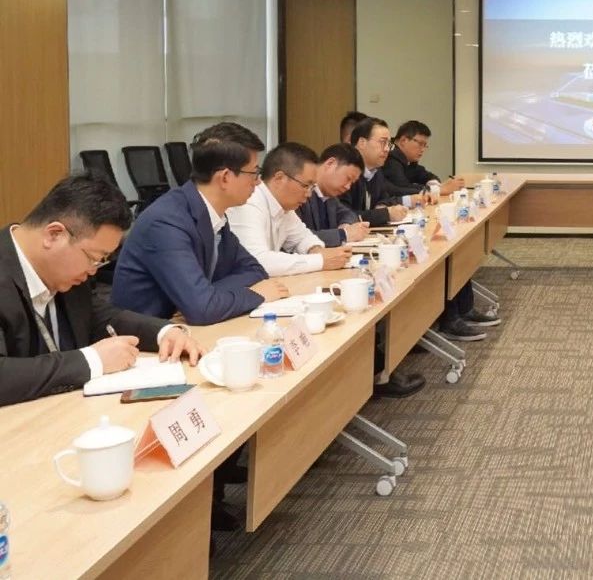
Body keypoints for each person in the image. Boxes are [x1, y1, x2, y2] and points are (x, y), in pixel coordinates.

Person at [1, 175, 203, 406]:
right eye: (93, 258)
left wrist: (164, 333)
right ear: (54, 234)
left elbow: (101, 318)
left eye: (100, 261)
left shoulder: (67, 271)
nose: (93, 271)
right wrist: (92, 361)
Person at [112, 122, 289, 325]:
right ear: (225, 178)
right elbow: (203, 310)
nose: (257, 182)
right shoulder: (166, 222)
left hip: (183, 328)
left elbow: (255, 270)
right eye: (254, 173)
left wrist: (206, 296)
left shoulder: (212, 213)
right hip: (145, 336)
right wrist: (255, 295)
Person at [227, 142, 353, 276]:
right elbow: (258, 261)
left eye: (312, 187)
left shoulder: (285, 208)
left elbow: (303, 237)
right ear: (279, 178)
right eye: (305, 186)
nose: (309, 194)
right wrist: (320, 260)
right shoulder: (249, 202)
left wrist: (317, 250)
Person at [341, 117, 412, 227]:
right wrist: (384, 214)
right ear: (362, 143)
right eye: (383, 142)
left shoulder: (376, 171)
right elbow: (344, 216)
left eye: (389, 144)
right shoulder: (344, 171)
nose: (387, 149)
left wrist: (383, 206)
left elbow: (385, 199)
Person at [298, 143, 370, 247]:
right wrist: (344, 234)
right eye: (348, 178)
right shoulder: (299, 192)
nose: (348, 187)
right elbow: (298, 238)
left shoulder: (330, 197)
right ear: (330, 164)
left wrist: (346, 225)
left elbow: (348, 214)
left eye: (352, 183)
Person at [382, 120, 465, 199]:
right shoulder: (389, 157)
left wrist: (436, 185)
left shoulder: (406, 158)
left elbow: (423, 174)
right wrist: (439, 190)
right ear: (403, 140)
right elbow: (402, 189)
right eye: (420, 144)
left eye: (425, 145)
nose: (423, 149)